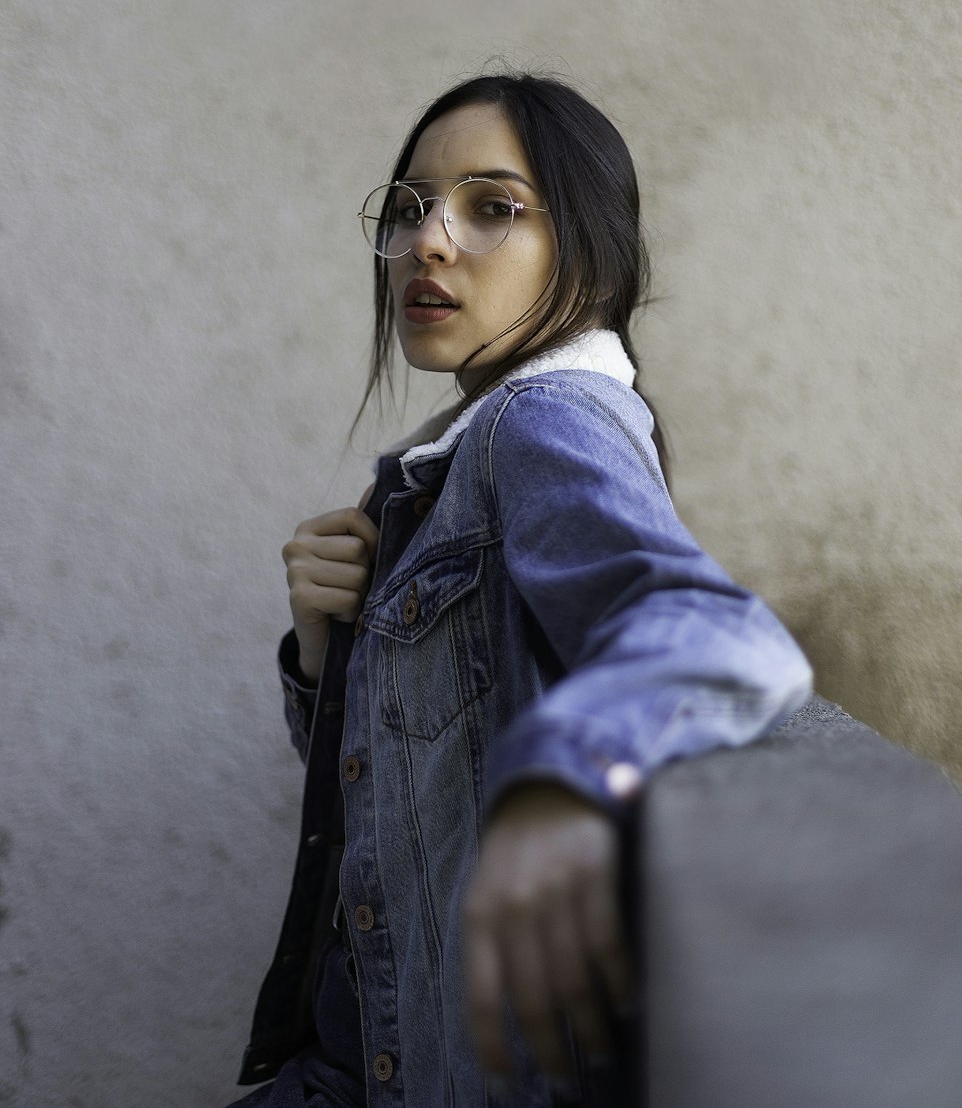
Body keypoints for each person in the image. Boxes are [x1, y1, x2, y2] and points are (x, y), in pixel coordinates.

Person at [229, 70, 813, 1108]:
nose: (428, 243)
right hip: (375, 1065)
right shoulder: (444, 471)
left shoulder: (540, 421)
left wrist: (563, 779)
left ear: (585, 250)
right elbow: (413, 793)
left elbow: (724, 645)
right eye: (407, 209)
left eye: (491, 208)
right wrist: (326, 657)